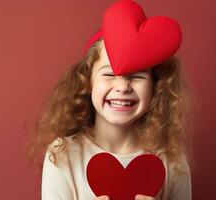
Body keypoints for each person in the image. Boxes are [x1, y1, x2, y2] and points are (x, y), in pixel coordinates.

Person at [26, 1, 193, 200]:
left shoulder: (172, 160)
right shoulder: (63, 154)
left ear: (155, 87)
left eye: (137, 76)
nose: (123, 87)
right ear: (87, 82)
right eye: (109, 74)